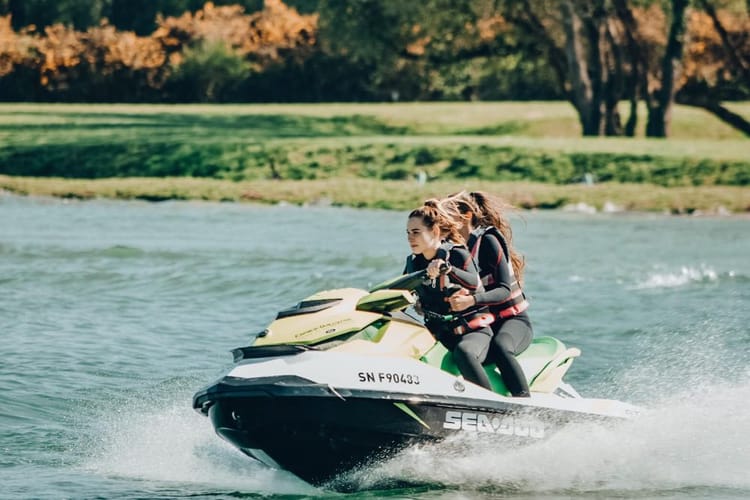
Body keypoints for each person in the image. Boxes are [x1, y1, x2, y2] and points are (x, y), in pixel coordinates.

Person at [441, 191, 533, 397]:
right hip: (482, 326)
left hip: (513, 321)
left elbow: (504, 290)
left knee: (501, 347)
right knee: (461, 351)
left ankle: (525, 405)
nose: (441, 221)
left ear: (466, 216)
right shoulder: (454, 251)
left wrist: (470, 301)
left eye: (446, 215)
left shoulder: (488, 240)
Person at [404, 201, 495, 391]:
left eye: (416, 232)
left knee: (464, 353)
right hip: (438, 332)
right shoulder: (413, 263)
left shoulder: (456, 254)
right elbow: (401, 292)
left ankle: (489, 404)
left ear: (435, 232)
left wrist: (448, 269)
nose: (410, 238)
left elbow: (475, 283)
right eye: (408, 233)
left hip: (472, 332)